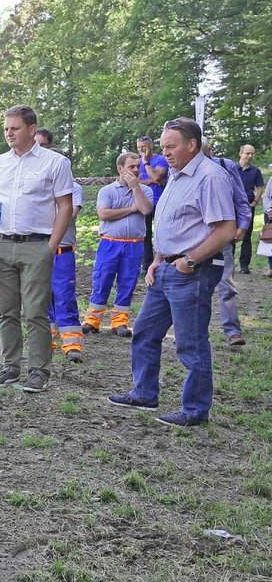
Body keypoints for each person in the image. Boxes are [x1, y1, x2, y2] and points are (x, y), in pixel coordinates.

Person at [108, 118, 236, 427]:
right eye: (163, 146)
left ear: (192, 144)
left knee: (190, 343)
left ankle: (195, 410)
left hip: (192, 271)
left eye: (170, 146)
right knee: (145, 333)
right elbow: (173, 224)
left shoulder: (210, 176)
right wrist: (157, 259)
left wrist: (189, 260)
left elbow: (226, 229)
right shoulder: (177, 176)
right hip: (165, 268)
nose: (164, 152)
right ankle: (144, 393)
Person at [0, 107, 76, 393]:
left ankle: (38, 371)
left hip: (37, 245)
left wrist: (51, 247)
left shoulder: (55, 163)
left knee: (35, 312)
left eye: (15, 128)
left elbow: (65, 207)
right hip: (2, 243)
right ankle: (9, 367)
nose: (9, 133)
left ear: (32, 129)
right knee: (6, 311)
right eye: (6, 129)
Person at [84, 152, 152, 338]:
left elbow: (146, 209)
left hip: (134, 245)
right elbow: (104, 214)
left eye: (138, 166)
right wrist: (131, 209)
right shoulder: (106, 191)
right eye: (132, 167)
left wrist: (135, 188)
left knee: (127, 282)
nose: (136, 170)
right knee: (102, 280)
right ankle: (92, 321)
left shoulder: (145, 191)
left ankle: (120, 322)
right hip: (110, 243)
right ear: (120, 169)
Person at [35, 130, 84, 362]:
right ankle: (48, 341)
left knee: (64, 296)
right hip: (38, 249)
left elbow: (69, 213)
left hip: (62, 251)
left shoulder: (74, 189)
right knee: (42, 298)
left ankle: (72, 344)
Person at [202, 142, 251, 347]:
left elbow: (240, 199)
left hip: (222, 236)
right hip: (196, 240)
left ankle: (232, 331)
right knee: (194, 287)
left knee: (226, 284)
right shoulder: (180, 169)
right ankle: (193, 332)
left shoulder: (225, 165)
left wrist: (243, 225)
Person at [136, 136, 169, 271]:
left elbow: (157, 177)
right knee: (145, 234)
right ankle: (147, 264)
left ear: (150, 146)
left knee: (161, 232)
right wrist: (151, 180)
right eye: (139, 147)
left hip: (160, 201)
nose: (141, 150)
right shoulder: (137, 162)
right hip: (144, 201)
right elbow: (135, 181)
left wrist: (146, 163)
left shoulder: (161, 160)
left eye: (143, 147)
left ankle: (164, 261)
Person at [236, 144, 264, 273]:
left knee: (246, 236)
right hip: (233, 205)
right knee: (229, 235)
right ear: (240, 153)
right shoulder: (232, 169)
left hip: (248, 205)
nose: (250, 156)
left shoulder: (255, 171)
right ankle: (227, 264)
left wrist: (255, 201)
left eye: (252, 154)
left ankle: (244, 266)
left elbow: (260, 188)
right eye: (247, 153)